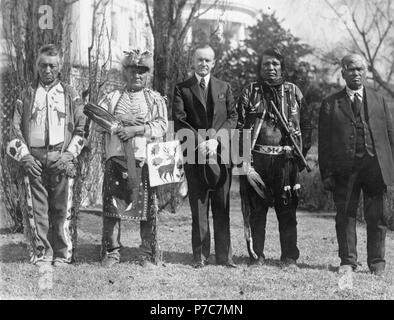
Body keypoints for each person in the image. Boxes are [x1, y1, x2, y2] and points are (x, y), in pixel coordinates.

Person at [7, 44, 86, 267]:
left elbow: (82, 127)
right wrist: (25, 157)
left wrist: (69, 155)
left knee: (62, 209)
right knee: (38, 208)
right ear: (37, 67)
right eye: (43, 65)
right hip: (34, 159)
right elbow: (14, 129)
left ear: (59, 67)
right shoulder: (26, 94)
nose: (47, 70)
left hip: (61, 158)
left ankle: (62, 255)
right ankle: (42, 253)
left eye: (52, 65)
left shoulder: (70, 94)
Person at [318, 53, 394, 276]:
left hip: (375, 168)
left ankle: (377, 263)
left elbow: (390, 136)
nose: (356, 73)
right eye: (351, 69)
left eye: (361, 69)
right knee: (345, 216)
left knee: (378, 217)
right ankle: (348, 261)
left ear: (367, 72)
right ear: (343, 72)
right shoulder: (330, 104)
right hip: (344, 170)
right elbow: (323, 144)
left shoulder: (379, 100)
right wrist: (327, 174)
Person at [236, 48, 312, 268]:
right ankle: (256, 255)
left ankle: (289, 257)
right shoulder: (250, 91)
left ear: (282, 67)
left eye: (275, 64)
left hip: (286, 161)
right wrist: (242, 160)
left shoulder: (293, 92)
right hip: (256, 160)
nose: (270, 68)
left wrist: (300, 154)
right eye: (266, 64)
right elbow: (239, 126)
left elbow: (306, 124)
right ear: (260, 68)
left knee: (287, 210)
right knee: (256, 211)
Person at [92, 49, 168, 267]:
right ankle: (113, 251)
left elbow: (162, 126)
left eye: (142, 71)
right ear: (125, 72)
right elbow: (97, 122)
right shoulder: (112, 97)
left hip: (144, 161)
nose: (137, 75)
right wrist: (119, 120)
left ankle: (146, 253)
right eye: (133, 71)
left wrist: (136, 129)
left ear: (148, 74)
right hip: (116, 160)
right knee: (112, 208)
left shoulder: (154, 99)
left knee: (147, 209)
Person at [172, 45, 238, 268]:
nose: (204, 64)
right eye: (200, 60)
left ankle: (224, 257)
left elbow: (233, 118)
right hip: (195, 155)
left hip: (221, 155)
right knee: (199, 207)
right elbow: (180, 120)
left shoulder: (224, 87)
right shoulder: (182, 89)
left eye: (208, 60)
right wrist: (201, 143)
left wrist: (216, 140)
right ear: (193, 61)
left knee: (222, 206)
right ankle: (200, 256)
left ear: (214, 62)